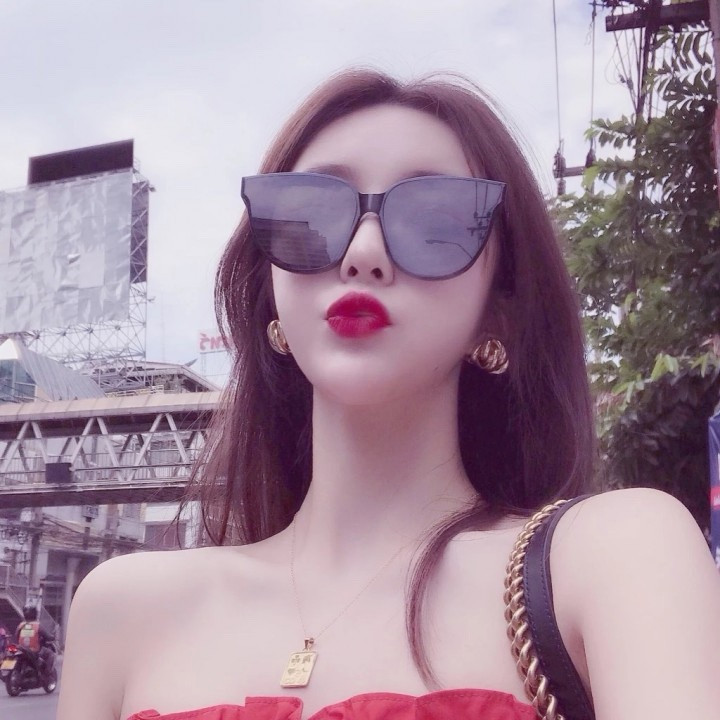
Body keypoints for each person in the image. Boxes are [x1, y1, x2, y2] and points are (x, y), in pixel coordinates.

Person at [57, 69, 720, 720]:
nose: (363, 251)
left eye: (437, 222)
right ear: (273, 301)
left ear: (499, 311)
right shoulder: (122, 611)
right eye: (310, 215)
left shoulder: (613, 559)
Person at [15, 604, 56, 674]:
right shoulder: (37, 626)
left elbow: (16, 636)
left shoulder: (21, 625)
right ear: (35, 614)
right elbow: (48, 637)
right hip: (34, 651)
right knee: (50, 654)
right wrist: (53, 637)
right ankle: (47, 673)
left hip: (21, 649)